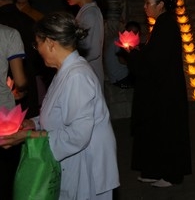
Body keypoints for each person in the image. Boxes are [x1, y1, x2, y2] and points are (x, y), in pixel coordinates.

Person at [0, 11, 119, 199]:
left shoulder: (77, 76)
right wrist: (33, 123)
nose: (37, 50)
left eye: (37, 44)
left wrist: (28, 136)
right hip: (75, 162)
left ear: (50, 43)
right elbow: (59, 114)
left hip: (87, 165)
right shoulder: (65, 71)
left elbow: (78, 135)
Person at [120, 0, 192, 187]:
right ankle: (154, 169)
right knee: (156, 130)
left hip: (166, 91)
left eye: (148, 3)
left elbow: (155, 61)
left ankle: (170, 174)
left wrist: (133, 53)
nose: (145, 7)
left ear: (160, 5)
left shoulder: (166, 25)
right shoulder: (162, 24)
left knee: (167, 130)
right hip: (161, 89)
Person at [63, 0, 107, 87]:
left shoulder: (90, 14)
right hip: (85, 71)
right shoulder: (86, 12)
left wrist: (70, 60)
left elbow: (92, 50)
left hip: (89, 73)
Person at [0, 23, 27, 200]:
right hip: (2, 114)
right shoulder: (8, 34)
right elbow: (20, 80)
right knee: (5, 177)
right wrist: (21, 90)